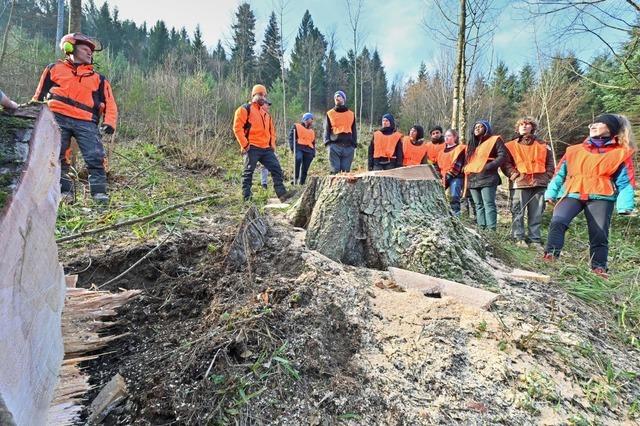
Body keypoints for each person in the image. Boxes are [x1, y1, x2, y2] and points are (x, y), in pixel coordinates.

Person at [543, 114, 635, 279]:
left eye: (599, 123)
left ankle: (598, 268)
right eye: (592, 123)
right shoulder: (573, 150)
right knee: (558, 220)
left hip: (601, 196)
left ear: (610, 129)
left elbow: (626, 182)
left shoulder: (620, 153)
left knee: (599, 233)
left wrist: (625, 206)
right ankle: (550, 256)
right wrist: (551, 193)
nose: (592, 126)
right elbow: (559, 174)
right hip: (572, 192)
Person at [33, 33, 117, 204]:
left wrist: (109, 122)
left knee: (95, 156)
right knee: (57, 157)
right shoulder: (53, 69)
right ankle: (65, 193)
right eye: (85, 49)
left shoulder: (98, 79)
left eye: (91, 51)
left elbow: (110, 103)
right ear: (70, 48)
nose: (89, 53)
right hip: (56, 118)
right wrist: (33, 114)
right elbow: (39, 95)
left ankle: (99, 194)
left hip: (86, 121)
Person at [233, 84, 292, 202]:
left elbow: (272, 133)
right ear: (253, 95)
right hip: (252, 147)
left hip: (266, 149)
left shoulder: (266, 115)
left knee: (276, 169)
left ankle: (282, 195)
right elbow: (237, 128)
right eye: (260, 94)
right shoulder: (244, 109)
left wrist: (272, 146)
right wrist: (245, 145)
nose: (263, 97)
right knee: (248, 172)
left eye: (264, 95)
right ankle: (246, 198)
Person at [502, 117, 555, 247]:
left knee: (536, 213)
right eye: (521, 125)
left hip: (539, 183)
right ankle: (518, 237)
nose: (524, 126)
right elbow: (505, 163)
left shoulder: (543, 144)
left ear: (533, 127)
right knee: (517, 211)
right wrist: (515, 175)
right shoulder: (510, 145)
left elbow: (550, 163)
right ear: (517, 128)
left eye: (527, 124)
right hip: (519, 183)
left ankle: (535, 239)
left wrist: (547, 175)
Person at [463, 119, 506, 230]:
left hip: (488, 177)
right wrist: (465, 168)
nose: (477, 128)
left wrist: (488, 166)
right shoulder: (471, 144)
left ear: (486, 128)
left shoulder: (495, 140)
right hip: (473, 177)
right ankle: (481, 228)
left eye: (480, 126)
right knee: (478, 205)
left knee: (488, 204)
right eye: (475, 127)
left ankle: (491, 229)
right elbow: (467, 160)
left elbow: (502, 156)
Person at [434, 129, 466, 216]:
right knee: (437, 195)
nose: (446, 138)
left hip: (455, 176)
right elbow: (437, 166)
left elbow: (457, 166)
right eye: (445, 136)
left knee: (454, 196)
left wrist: (447, 178)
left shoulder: (460, 149)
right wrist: (438, 177)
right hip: (442, 176)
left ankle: (456, 215)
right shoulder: (441, 152)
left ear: (455, 137)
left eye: (449, 136)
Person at [324, 90, 357, 173]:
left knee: (346, 172)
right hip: (334, 146)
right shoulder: (330, 113)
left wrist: (354, 144)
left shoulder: (351, 114)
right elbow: (327, 129)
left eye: (339, 96)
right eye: (335, 97)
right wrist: (327, 143)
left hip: (349, 147)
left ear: (344, 99)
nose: (337, 98)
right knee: (335, 171)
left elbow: (354, 130)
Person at [289, 112, 316, 185]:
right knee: (298, 159)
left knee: (305, 168)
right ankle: (295, 178)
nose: (311, 121)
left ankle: (302, 183)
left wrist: (313, 153)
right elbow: (291, 137)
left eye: (311, 119)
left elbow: (313, 143)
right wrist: (292, 148)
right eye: (310, 119)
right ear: (305, 119)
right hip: (299, 147)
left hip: (309, 150)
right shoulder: (296, 126)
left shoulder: (312, 131)